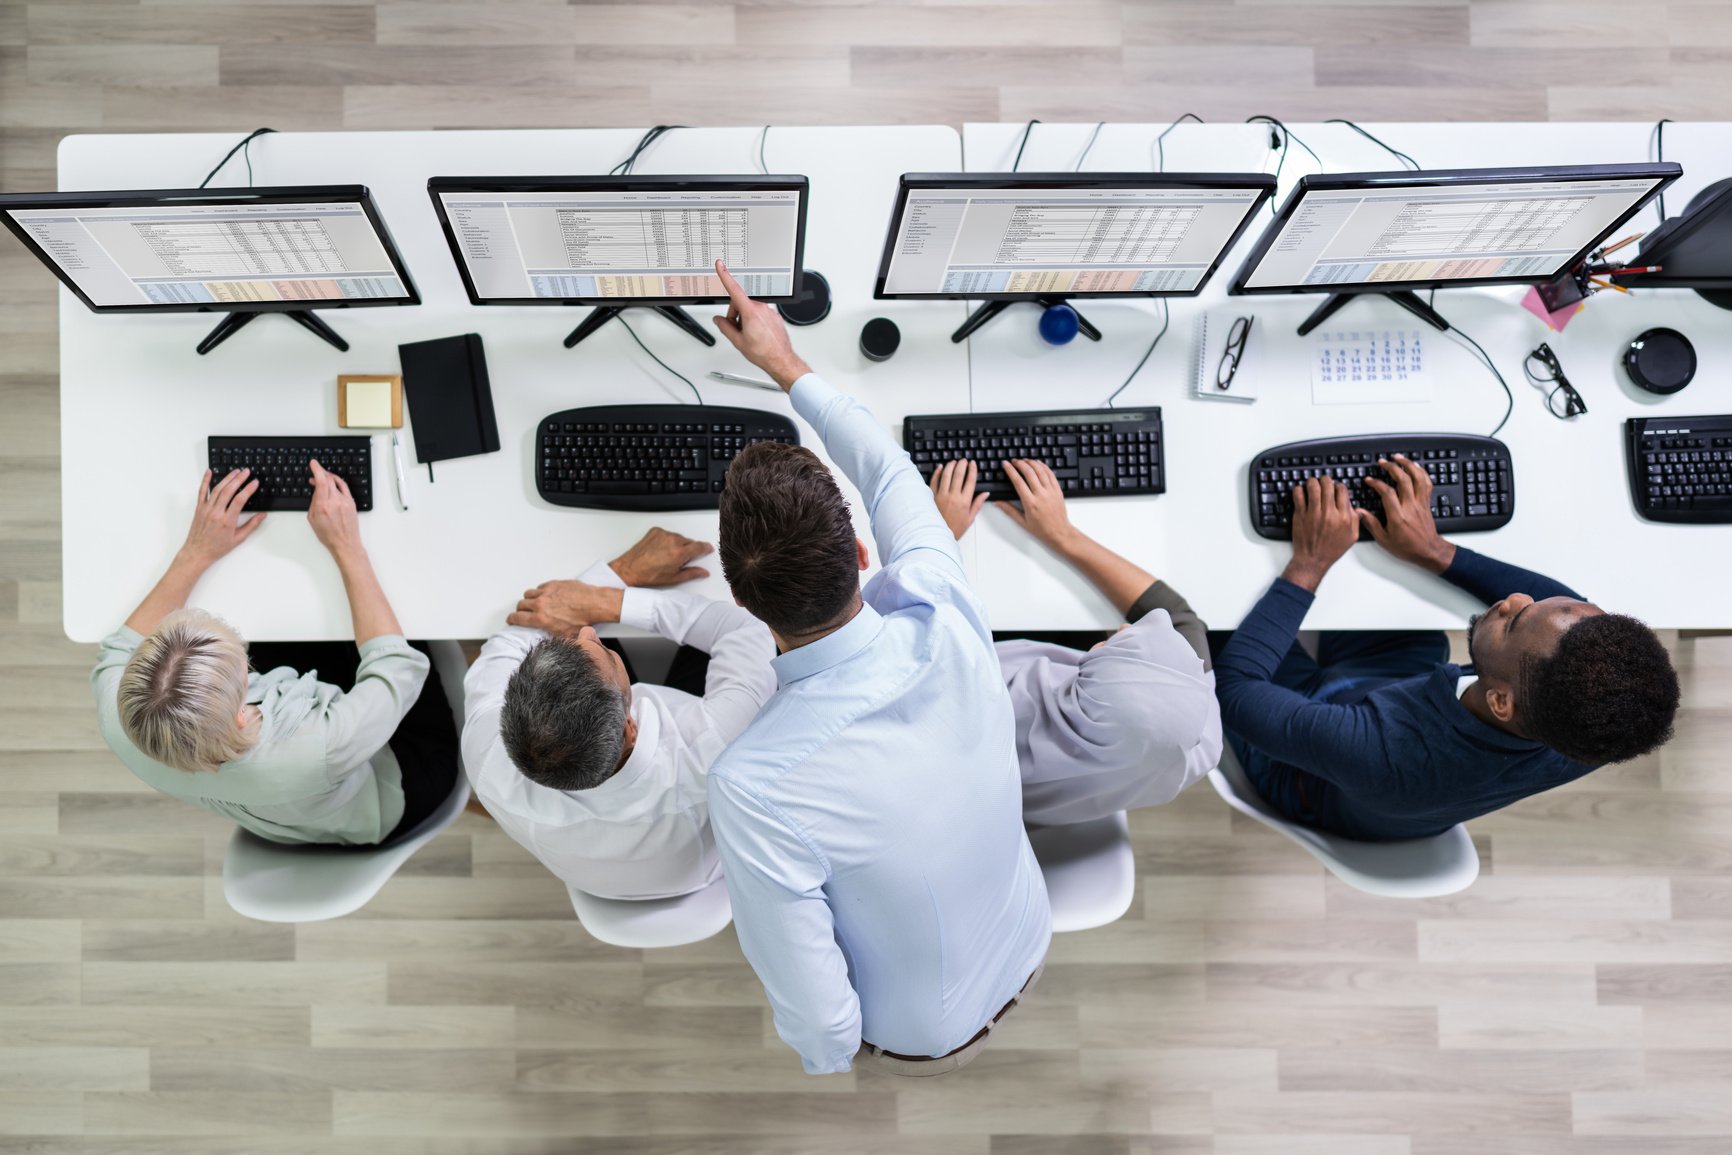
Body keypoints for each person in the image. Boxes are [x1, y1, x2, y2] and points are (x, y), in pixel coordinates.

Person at [703, 259, 1050, 1077]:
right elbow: (888, 471)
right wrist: (787, 365)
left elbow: (827, 1037)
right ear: (862, 553)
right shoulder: (941, 602)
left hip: (931, 1032)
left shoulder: (755, 786)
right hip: (1029, 931)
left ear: (745, 602)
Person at [1214, 457, 1680, 841]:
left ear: (1501, 699)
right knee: (1386, 592)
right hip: (1397, 702)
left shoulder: (1384, 753)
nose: (1513, 598)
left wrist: (1309, 563)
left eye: (1514, 619)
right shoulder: (1591, 728)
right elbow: (1567, 611)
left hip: (1312, 771)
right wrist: (1434, 551)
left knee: (1215, 614)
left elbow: (1236, 691)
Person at [92, 462, 458, 846]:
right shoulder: (317, 746)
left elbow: (121, 647)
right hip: (398, 782)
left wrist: (196, 553)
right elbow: (398, 667)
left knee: (293, 616)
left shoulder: (118, 720)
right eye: (243, 664)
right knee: (408, 616)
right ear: (243, 705)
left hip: (287, 807)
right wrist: (346, 545)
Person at [461, 528, 776, 901]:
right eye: (606, 654)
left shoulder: (485, 752)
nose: (588, 631)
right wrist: (608, 597)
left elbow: (511, 641)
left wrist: (611, 581)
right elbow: (746, 629)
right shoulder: (713, 758)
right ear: (628, 728)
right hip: (701, 872)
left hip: (593, 877)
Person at [929, 457, 1221, 825]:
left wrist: (936, 538)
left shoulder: (964, 697)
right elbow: (1180, 618)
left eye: (1122, 647)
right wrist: (1061, 534)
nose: (1126, 629)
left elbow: (909, 622)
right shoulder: (1199, 747)